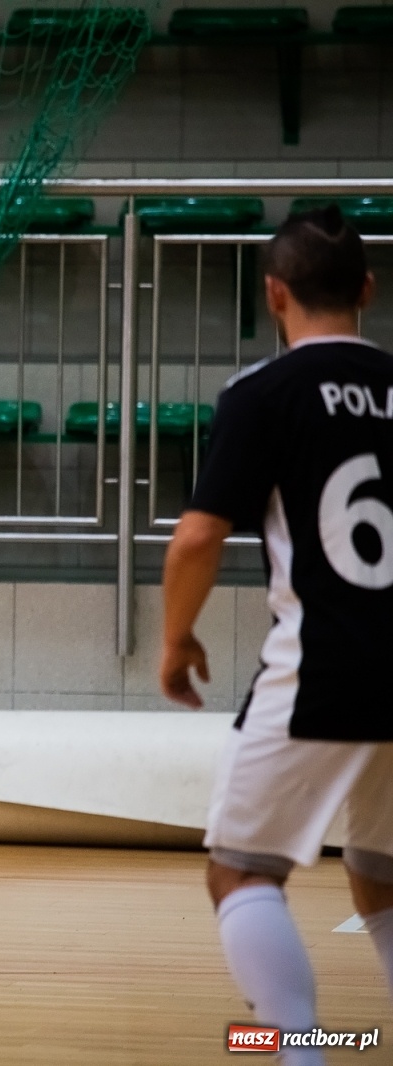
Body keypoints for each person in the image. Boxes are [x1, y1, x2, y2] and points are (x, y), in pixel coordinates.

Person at [160, 204, 393, 1064]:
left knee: (242, 868)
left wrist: (176, 640)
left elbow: (195, 537)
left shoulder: (263, 393)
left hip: (321, 666)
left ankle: (300, 1052)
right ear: (367, 289)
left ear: (274, 294)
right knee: (382, 872)